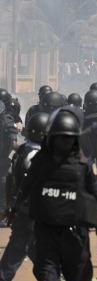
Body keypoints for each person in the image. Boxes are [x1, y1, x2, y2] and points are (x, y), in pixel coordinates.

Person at [21, 107, 97, 281]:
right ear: (52, 138)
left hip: (74, 235)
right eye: (61, 137)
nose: (65, 142)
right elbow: (25, 189)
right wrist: (15, 209)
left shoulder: (83, 166)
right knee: (47, 274)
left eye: (69, 138)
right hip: (46, 232)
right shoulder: (39, 163)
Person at [0, 113, 48, 281]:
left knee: (41, 257)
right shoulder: (36, 156)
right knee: (12, 258)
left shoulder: (22, 150)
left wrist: (9, 206)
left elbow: (10, 179)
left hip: (22, 210)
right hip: (30, 214)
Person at [0, 101, 18, 221]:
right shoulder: (8, 121)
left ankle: (3, 213)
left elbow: (13, 143)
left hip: (3, 159)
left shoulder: (7, 122)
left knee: (4, 183)